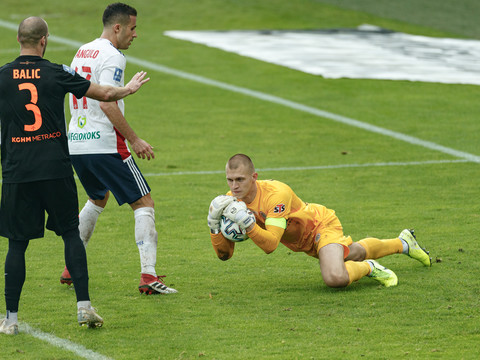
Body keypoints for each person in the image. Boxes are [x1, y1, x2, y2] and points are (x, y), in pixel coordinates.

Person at [0, 16, 149, 335]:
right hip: (54, 167)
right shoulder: (57, 71)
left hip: (17, 171)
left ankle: (10, 319)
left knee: (16, 244)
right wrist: (129, 88)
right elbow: (105, 95)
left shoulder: (2, 76)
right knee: (70, 235)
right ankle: (84, 308)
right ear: (44, 40)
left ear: (18, 40)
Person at [60, 3, 177, 295]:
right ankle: (149, 277)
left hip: (77, 141)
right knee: (144, 203)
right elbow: (107, 102)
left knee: (97, 197)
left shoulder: (82, 51)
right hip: (105, 142)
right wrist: (135, 140)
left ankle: (71, 266)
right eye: (132, 28)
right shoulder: (113, 57)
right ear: (117, 27)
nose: (135, 34)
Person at [208, 154, 432, 289]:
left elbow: (270, 246)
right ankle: (404, 243)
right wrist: (214, 227)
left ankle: (369, 268)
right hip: (304, 242)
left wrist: (248, 225)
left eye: (240, 179)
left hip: (320, 226)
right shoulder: (231, 203)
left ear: (254, 177)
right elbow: (224, 255)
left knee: (335, 277)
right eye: (230, 180)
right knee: (353, 252)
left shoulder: (276, 195)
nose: (234, 186)